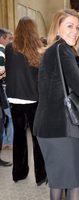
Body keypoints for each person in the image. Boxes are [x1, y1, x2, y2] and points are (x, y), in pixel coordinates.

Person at [33, 9, 79, 200]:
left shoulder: (51, 51)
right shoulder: (64, 50)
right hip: (62, 129)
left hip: (45, 127)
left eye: (77, 26)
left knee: (57, 182)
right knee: (75, 185)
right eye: (69, 26)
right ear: (57, 28)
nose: (75, 31)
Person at [5, 17, 46, 184]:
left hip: (14, 98)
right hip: (33, 99)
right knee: (38, 138)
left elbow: (9, 70)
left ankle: (19, 173)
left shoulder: (9, 48)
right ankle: (41, 175)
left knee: (19, 137)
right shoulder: (38, 49)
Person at [0, 28, 13, 166]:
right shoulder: (2, 51)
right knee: (5, 117)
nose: (11, 42)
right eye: (9, 39)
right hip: (2, 90)